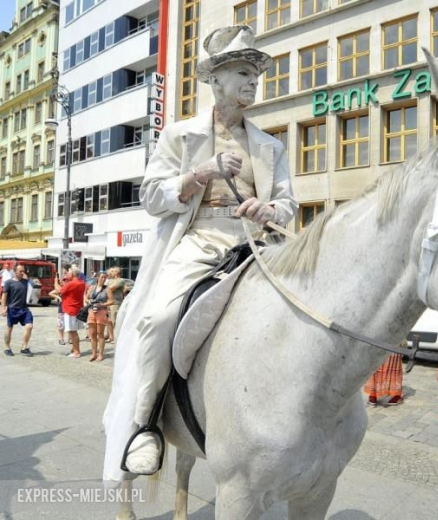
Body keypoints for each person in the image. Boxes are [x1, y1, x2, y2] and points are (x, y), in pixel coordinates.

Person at [103, 25, 298, 479]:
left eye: (256, 74)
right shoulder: (180, 135)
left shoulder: (271, 145)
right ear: (217, 80)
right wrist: (200, 173)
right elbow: (151, 198)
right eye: (244, 73)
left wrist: (269, 207)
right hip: (201, 240)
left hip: (257, 244)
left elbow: (289, 203)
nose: (253, 82)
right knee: (159, 319)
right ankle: (145, 426)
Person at [1, 264, 34, 357]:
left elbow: (32, 284)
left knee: (29, 326)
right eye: (20, 271)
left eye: (23, 271)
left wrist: (25, 276)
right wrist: (3, 308)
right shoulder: (8, 282)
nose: (22, 272)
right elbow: (4, 296)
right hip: (12, 309)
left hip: (24, 308)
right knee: (9, 328)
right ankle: (7, 348)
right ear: (15, 271)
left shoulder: (25, 281)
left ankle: (24, 347)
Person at [57, 266, 86, 358]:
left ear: (73, 273)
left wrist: (55, 282)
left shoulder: (72, 283)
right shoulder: (81, 282)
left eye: (68, 272)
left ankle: (76, 352)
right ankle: (74, 349)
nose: (66, 274)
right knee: (73, 332)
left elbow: (59, 291)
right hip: (76, 309)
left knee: (73, 332)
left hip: (71, 309)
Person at [85, 271, 112, 362]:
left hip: (101, 311)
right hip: (92, 311)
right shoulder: (92, 287)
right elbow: (86, 297)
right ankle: (94, 353)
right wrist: (89, 302)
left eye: (105, 278)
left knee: (100, 334)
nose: (103, 279)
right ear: (97, 278)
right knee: (92, 334)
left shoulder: (107, 289)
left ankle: (101, 354)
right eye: (102, 277)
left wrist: (102, 305)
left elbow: (111, 301)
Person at [105, 266, 126, 343]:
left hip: (116, 303)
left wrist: (108, 289)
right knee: (109, 321)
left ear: (117, 272)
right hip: (108, 303)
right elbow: (107, 289)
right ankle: (111, 337)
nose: (111, 272)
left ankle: (117, 337)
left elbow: (111, 288)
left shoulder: (121, 280)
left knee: (115, 321)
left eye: (113, 271)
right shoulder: (110, 280)